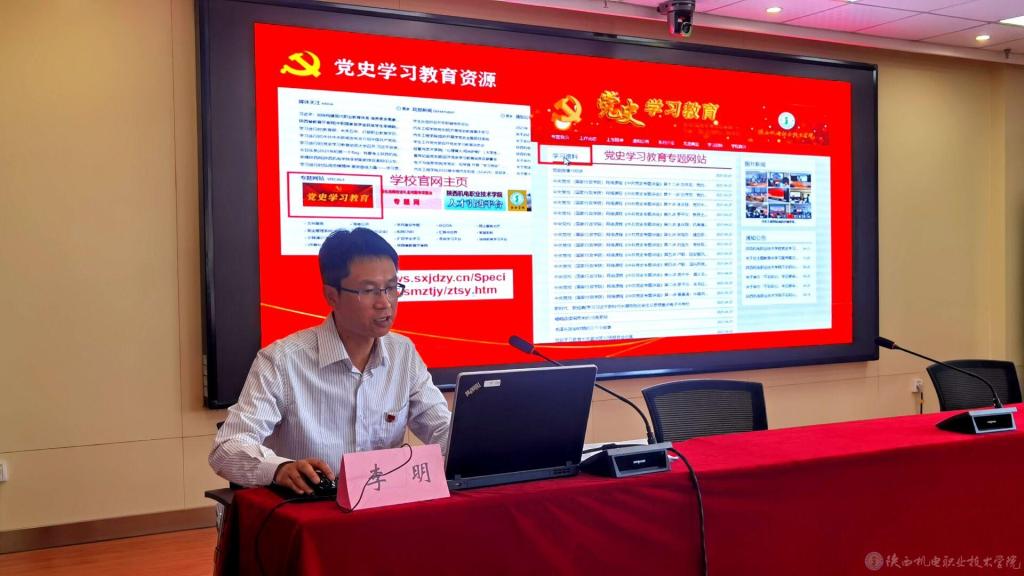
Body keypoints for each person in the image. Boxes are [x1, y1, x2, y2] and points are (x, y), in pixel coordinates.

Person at [209, 227, 450, 494]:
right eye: (369, 290)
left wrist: (472, 443)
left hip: (383, 506)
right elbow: (227, 447)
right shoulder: (282, 361)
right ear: (331, 295)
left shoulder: (403, 353)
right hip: (312, 509)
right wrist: (279, 469)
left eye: (392, 287)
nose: (385, 303)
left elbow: (441, 427)